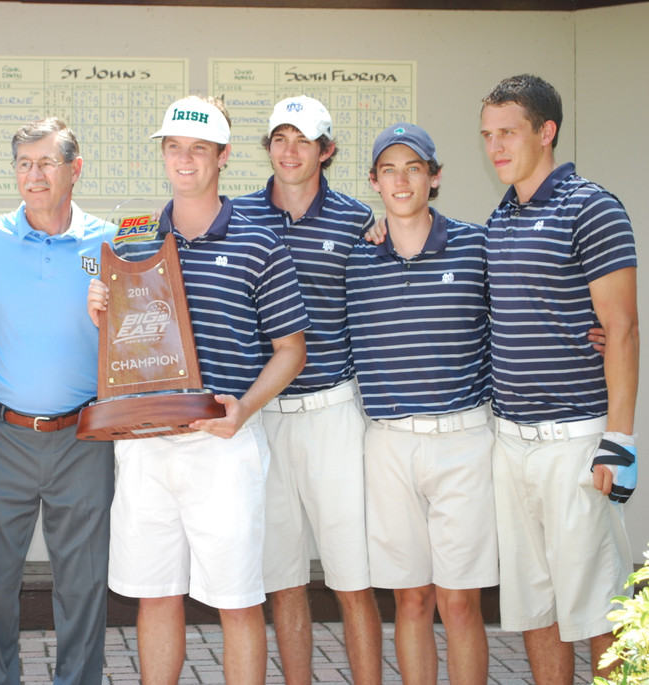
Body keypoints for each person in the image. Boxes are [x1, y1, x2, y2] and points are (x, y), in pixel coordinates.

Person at [89, 95, 309, 685]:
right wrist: (102, 313)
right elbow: (123, 337)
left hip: (221, 441)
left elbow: (292, 349)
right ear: (163, 154)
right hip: (146, 440)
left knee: (237, 600)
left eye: (198, 148)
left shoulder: (261, 240)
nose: (184, 159)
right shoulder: (132, 236)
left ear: (223, 156)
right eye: (174, 146)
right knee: (154, 595)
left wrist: (244, 410)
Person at [479, 74, 638, 683]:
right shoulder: (501, 217)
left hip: (576, 440)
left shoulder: (592, 206)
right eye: (487, 135)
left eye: (508, 133)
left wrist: (618, 441)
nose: (495, 146)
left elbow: (621, 329)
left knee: (597, 608)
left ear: (546, 132)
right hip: (510, 440)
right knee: (534, 608)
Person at [231, 96, 382, 685]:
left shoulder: (358, 220)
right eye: (279, 138)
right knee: (283, 580)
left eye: (302, 139)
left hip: (332, 414)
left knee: (351, 578)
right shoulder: (237, 215)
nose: (289, 150)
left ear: (328, 149)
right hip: (261, 414)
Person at [0, 117, 115, 685]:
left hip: (84, 438)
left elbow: (135, 335)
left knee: (82, 582)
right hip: (0, 434)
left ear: (75, 170)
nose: (35, 175)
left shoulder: (109, 242)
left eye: (47, 162)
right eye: (25, 163)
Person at [346, 123, 497, 684]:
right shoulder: (358, 259)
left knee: (460, 601)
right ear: (374, 181)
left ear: (434, 177)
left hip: (464, 440)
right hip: (388, 441)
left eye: (414, 168)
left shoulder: (476, 245)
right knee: (411, 600)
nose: (402, 179)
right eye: (389, 169)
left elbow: (526, 306)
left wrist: (591, 332)